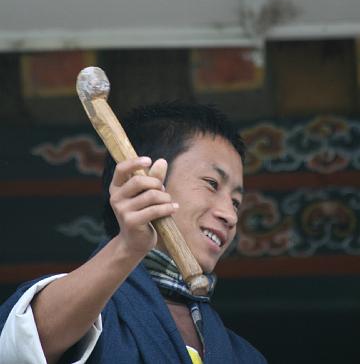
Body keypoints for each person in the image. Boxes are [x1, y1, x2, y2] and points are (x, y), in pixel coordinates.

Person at [0, 102, 267, 364]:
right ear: (142, 181)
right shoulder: (90, 317)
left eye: (236, 202)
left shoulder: (244, 356)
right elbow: (20, 344)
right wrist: (129, 246)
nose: (230, 216)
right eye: (212, 183)